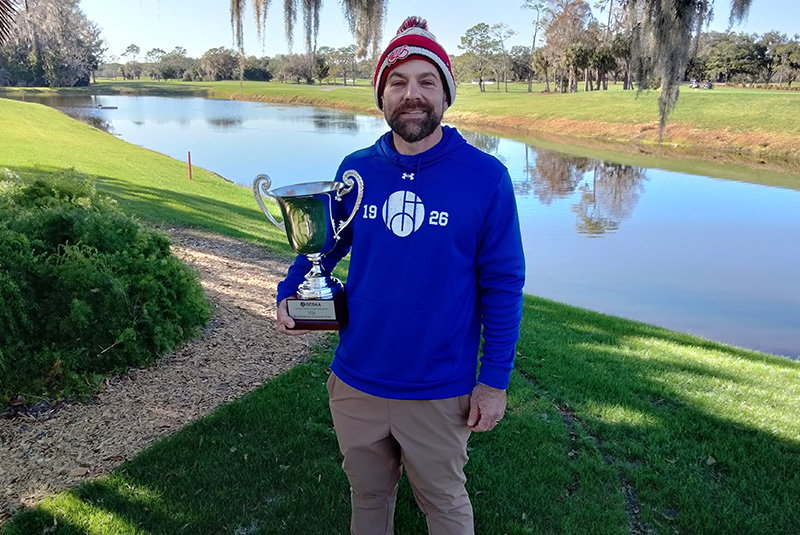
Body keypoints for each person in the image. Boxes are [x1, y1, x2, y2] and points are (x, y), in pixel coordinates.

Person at [275, 16, 525, 535]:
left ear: (446, 94)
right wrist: (290, 291)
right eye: (398, 81)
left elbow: (502, 285)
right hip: (356, 380)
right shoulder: (356, 169)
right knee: (367, 497)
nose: (412, 94)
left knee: (445, 506)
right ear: (382, 95)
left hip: (438, 387)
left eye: (426, 80)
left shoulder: (486, 179)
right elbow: (324, 242)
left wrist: (494, 382)